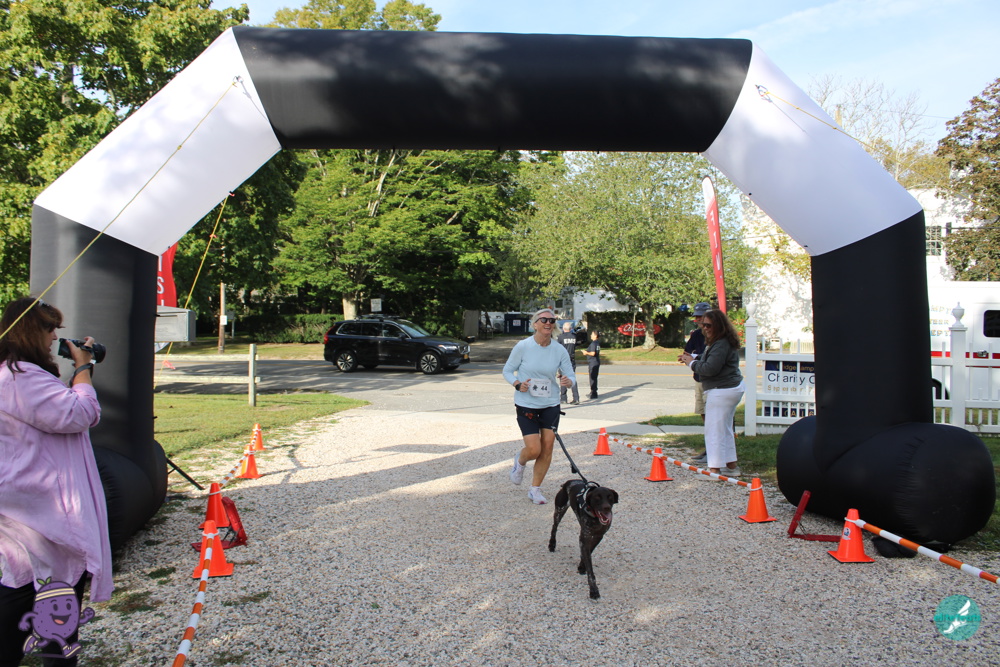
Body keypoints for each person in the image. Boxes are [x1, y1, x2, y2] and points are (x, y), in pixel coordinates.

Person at [0, 297, 110, 667]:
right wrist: (84, 367)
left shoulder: (14, 374)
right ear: (31, 331)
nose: (54, 338)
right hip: (42, 506)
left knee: (22, 582)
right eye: (50, 329)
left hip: (24, 500)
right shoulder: (19, 377)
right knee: (55, 593)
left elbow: (53, 410)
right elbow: (80, 412)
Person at [502, 308, 576, 504]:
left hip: (550, 404)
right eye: (544, 320)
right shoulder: (523, 346)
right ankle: (520, 461)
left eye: (552, 320)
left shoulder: (559, 349)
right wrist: (518, 384)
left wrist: (569, 381)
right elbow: (507, 371)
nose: (548, 323)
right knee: (534, 449)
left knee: (548, 446)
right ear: (535, 324)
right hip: (526, 403)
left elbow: (571, 374)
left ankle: (535, 489)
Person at [679, 309, 744, 477]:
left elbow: (710, 368)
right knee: (725, 429)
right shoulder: (721, 341)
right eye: (703, 325)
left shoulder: (721, 343)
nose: (705, 328)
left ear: (719, 326)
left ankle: (714, 470)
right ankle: (731, 466)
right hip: (730, 388)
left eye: (708, 325)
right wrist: (694, 358)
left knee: (713, 430)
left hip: (722, 390)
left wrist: (691, 363)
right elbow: (709, 358)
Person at [682, 302, 711, 464]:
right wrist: (688, 357)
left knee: (715, 417)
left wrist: (694, 357)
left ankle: (715, 452)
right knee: (703, 413)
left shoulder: (717, 335)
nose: (698, 320)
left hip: (713, 382)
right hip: (699, 378)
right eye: (697, 317)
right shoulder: (696, 335)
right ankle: (708, 448)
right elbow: (687, 352)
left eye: (701, 316)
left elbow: (709, 358)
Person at [557, 321, 581, 405]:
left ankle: (563, 398)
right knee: (572, 377)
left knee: (563, 378)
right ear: (570, 329)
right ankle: (576, 398)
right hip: (572, 359)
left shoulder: (560, 337)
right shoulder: (574, 337)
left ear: (563, 329)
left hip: (563, 360)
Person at [582, 330, 601, 399]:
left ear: (595, 335)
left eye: (592, 334)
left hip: (593, 362)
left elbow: (593, 353)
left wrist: (586, 352)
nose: (590, 335)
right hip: (596, 361)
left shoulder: (593, 343)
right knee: (594, 377)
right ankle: (593, 391)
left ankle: (593, 393)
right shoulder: (597, 343)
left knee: (592, 378)